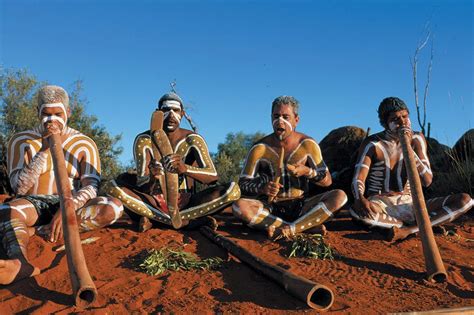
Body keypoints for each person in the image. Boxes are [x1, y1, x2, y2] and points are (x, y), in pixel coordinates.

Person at [0, 85, 123, 285]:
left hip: (71, 204)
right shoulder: (21, 140)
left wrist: (68, 208)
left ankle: (36, 231)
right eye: (46, 114)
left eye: (58, 114)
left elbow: (91, 187)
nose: (52, 120)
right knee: (4, 210)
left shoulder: (84, 143)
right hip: (31, 204)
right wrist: (43, 151)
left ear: (68, 112)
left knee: (113, 208)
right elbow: (19, 188)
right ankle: (20, 263)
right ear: (37, 113)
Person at [105, 92, 240, 230]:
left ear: (182, 114)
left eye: (175, 110)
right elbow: (142, 185)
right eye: (165, 110)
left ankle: (157, 221)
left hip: (187, 203)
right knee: (113, 187)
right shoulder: (144, 140)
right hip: (152, 202)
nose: (170, 115)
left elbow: (212, 177)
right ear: (158, 113)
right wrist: (152, 178)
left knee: (232, 190)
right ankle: (187, 222)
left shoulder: (193, 139)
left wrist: (185, 169)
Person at [350, 96, 473, 239]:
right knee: (357, 213)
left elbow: (427, 180)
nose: (402, 122)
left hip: (411, 203)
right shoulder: (372, 143)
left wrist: (407, 147)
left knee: (466, 200)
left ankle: (409, 230)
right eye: (395, 119)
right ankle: (422, 226)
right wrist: (359, 198)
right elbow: (359, 177)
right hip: (380, 204)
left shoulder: (417, 139)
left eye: (405, 116)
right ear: (385, 123)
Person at [232, 96, 347, 239]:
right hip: (270, 208)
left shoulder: (307, 144)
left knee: (339, 196)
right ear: (270, 118)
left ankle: (290, 228)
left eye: (285, 116)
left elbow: (327, 180)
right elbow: (242, 183)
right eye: (276, 116)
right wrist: (263, 188)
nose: (280, 121)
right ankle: (303, 227)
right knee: (239, 206)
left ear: (296, 120)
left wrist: (307, 172)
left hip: (302, 205)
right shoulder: (260, 148)